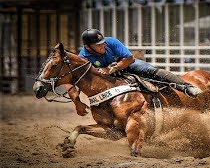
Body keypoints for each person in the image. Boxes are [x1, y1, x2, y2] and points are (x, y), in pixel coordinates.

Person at [67, 29, 202, 116]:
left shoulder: (111, 42)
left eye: (103, 42)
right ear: (87, 46)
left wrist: (112, 68)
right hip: (107, 78)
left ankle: (186, 87)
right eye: (98, 44)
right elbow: (72, 81)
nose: (103, 45)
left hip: (125, 64)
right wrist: (77, 102)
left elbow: (130, 58)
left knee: (151, 71)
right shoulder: (83, 58)